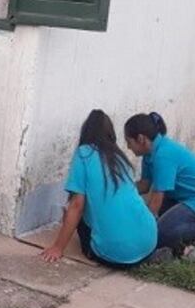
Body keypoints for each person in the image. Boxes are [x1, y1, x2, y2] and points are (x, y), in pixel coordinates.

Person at [42, 110, 159, 268]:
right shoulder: (120, 157)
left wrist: (58, 248)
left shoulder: (84, 154)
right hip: (150, 240)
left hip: (116, 254)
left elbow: (77, 205)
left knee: (75, 212)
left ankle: (111, 244)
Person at [124, 112, 195, 259]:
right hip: (178, 196)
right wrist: (120, 191)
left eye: (129, 141)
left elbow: (156, 199)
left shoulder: (163, 155)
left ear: (141, 139)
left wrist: (145, 230)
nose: (128, 147)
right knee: (158, 227)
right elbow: (144, 185)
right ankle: (187, 242)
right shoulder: (149, 154)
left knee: (161, 234)